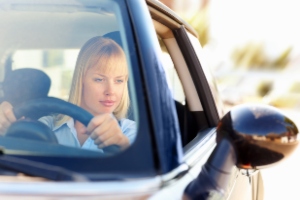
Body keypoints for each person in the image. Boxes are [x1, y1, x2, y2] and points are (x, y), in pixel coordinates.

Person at [0, 36, 136, 152]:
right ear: (80, 80)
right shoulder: (47, 126)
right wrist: (6, 127)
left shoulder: (131, 132)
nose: (111, 91)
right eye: (99, 79)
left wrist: (123, 146)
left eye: (119, 80)